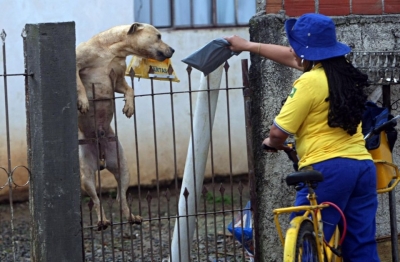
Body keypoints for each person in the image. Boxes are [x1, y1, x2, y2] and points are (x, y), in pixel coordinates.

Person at [225, 13, 379, 261]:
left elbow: (278, 132)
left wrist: (271, 144)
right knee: (361, 243)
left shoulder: (308, 82)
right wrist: (247, 45)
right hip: (362, 166)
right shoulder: (345, 74)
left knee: (306, 238)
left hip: (328, 169)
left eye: (296, 47)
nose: (292, 52)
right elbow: (295, 58)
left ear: (307, 52)